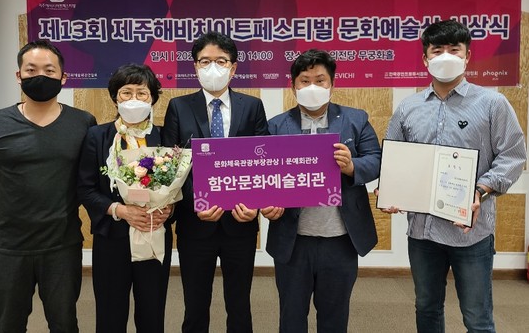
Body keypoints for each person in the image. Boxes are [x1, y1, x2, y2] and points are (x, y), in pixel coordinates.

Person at [380, 19, 526, 333]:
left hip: (470, 233)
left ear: (467, 56)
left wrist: (481, 190)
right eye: (437, 50)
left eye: (454, 49)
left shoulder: (492, 104)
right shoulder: (408, 108)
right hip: (423, 232)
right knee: (426, 308)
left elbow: (513, 156)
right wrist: (390, 189)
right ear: (425, 59)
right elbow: (393, 158)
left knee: (477, 317)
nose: (445, 56)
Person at [0, 40, 97, 333]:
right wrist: (16, 206)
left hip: (62, 244)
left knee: (64, 322)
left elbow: (88, 178)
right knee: (9, 324)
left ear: (63, 78)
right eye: (31, 70)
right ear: (19, 75)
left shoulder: (83, 123)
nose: (40, 76)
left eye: (49, 70)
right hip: (9, 245)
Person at [263, 49, 381, 333]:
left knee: (334, 317)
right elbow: (263, 175)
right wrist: (267, 202)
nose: (312, 87)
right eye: (305, 81)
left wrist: (351, 166)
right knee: (291, 317)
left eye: (320, 80)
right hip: (293, 240)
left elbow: (377, 160)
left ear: (332, 84)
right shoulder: (276, 126)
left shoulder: (355, 119)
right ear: (293, 87)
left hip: (340, 239)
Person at [161, 31, 268, 333]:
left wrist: (254, 204)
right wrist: (197, 202)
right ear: (195, 67)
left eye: (221, 61)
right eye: (205, 61)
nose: (213, 68)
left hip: (240, 222)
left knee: (239, 304)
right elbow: (172, 167)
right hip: (196, 223)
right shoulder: (179, 107)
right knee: (195, 305)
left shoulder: (252, 106)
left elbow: (261, 162)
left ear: (233, 68)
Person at [77, 63, 173, 333]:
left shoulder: (165, 136)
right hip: (112, 238)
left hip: (153, 234)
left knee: (152, 314)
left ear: (152, 98)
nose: (134, 99)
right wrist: (118, 210)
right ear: (115, 97)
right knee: (110, 314)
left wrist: (169, 209)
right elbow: (85, 188)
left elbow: (179, 184)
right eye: (126, 92)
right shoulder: (97, 136)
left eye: (142, 93)